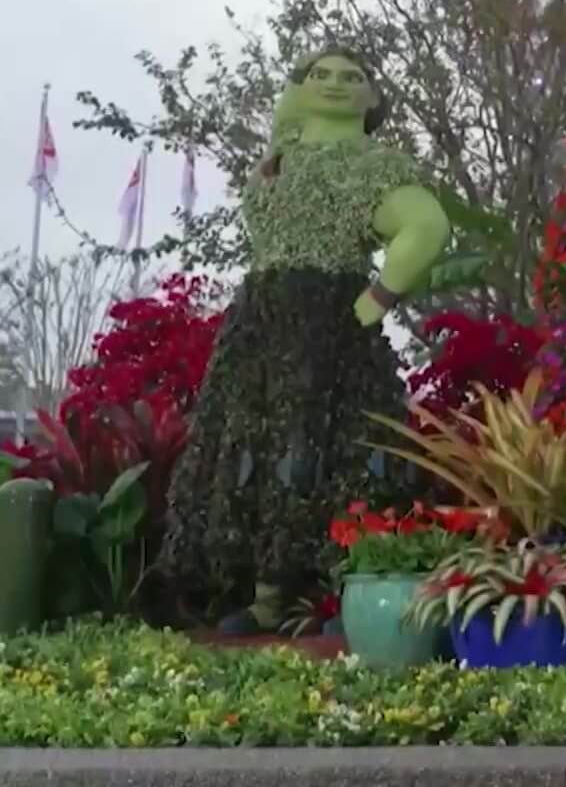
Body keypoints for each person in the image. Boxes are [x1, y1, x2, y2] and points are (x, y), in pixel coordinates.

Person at [161, 47, 451, 633]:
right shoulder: (277, 162)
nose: (334, 84)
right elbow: (282, 126)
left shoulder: (373, 164)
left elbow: (427, 226)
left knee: (333, 445)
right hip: (261, 321)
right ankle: (267, 593)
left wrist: (377, 300)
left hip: (328, 319)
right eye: (319, 75)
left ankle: (338, 594)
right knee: (258, 444)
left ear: (374, 98)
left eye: (352, 77)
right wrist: (288, 111)